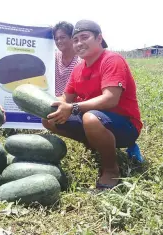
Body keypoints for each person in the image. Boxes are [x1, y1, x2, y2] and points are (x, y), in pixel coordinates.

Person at [42, 20, 143, 189]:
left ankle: (111, 170)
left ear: (99, 38)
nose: (79, 43)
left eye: (84, 37)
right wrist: (38, 101)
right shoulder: (78, 70)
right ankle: (95, 143)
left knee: (90, 119)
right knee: (49, 119)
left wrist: (73, 107)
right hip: (95, 120)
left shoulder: (112, 60)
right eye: (75, 40)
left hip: (127, 126)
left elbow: (110, 99)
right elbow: (65, 98)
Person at [53, 21, 80, 97]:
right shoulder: (54, 58)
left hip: (71, 103)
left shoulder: (81, 61)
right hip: (51, 100)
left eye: (62, 37)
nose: (59, 41)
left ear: (72, 38)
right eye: (56, 39)